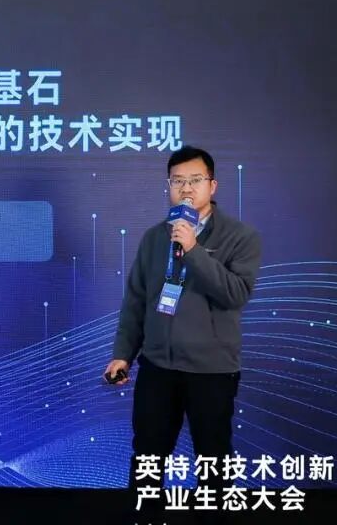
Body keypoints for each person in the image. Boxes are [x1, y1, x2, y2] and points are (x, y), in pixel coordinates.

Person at [104, 146, 262, 523]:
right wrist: (123, 354)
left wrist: (193, 250)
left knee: (213, 459)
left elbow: (235, 294)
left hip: (212, 370)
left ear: (212, 185)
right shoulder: (154, 238)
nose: (186, 189)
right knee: (147, 455)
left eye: (195, 180)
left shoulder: (240, 237)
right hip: (158, 367)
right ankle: (144, 518)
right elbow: (136, 302)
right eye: (178, 181)